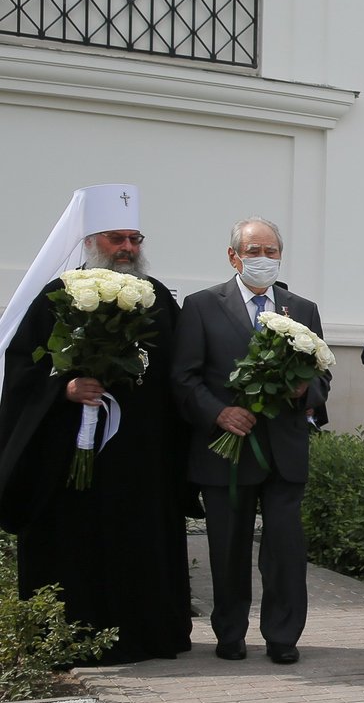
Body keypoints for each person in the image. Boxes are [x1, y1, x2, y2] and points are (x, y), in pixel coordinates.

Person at [0, 185, 193, 663]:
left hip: (140, 460)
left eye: (134, 238)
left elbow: (178, 374)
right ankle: (67, 638)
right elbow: (22, 367)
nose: (128, 248)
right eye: (116, 238)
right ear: (90, 242)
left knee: (138, 543)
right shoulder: (56, 296)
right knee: (74, 546)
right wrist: (64, 390)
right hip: (68, 458)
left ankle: (146, 635)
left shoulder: (159, 300)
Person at [173, 217, 328, 665]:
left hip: (284, 450)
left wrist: (306, 391)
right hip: (226, 451)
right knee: (228, 547)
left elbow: (323, 374)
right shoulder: (202, 306)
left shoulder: (302, 308)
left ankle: (283, 636)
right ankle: (230, 632)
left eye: (272, 251)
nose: (264, 259)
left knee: (284, 549)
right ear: (234, 256)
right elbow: (183, 378)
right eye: (254, 251)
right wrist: (218, 412)